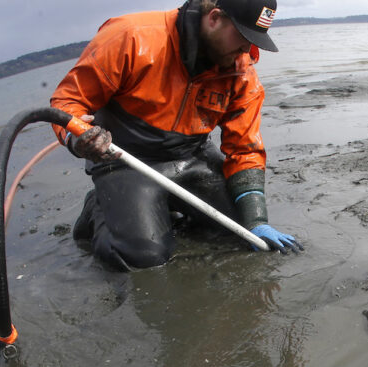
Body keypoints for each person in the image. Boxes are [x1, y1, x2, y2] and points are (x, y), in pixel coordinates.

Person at [50, 0, 302, 270]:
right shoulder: (131, 37)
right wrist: (80, 138)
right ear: (215, 18)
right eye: (242, 37)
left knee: (241, 232)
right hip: (126, 159)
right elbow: (67, 103)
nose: (247, 50)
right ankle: (100, 208)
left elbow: (245, 148)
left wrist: (257, 221)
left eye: (254, 40)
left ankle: (162, 207)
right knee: (144, 258)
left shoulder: (241, 71)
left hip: (191, 153)